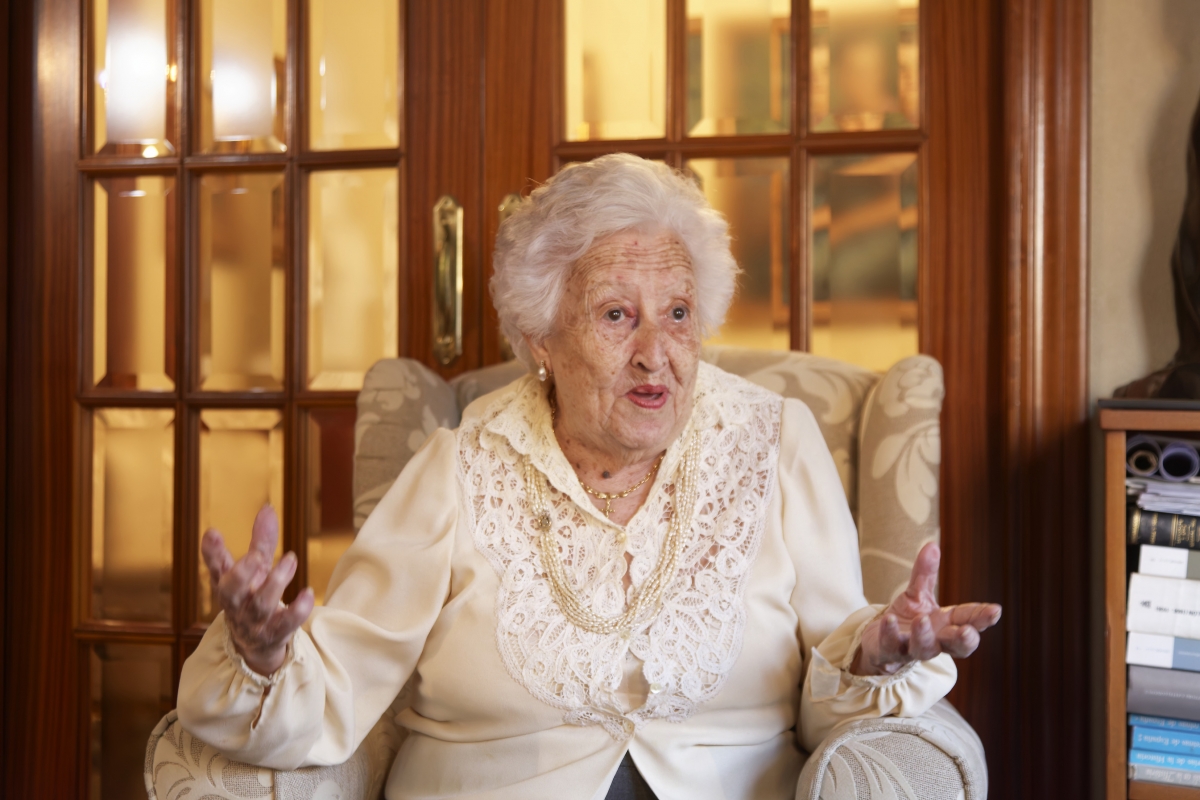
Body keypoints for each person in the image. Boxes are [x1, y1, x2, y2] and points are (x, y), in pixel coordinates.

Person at [178, 154, 1000, 799]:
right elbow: (338, 687)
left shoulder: (775, 445)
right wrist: (260, 658)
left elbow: (826, 713)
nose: (656, 352)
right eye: (616, 315)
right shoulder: (459, 465)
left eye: (677, 314)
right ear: (542, 336)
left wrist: (873, 654)